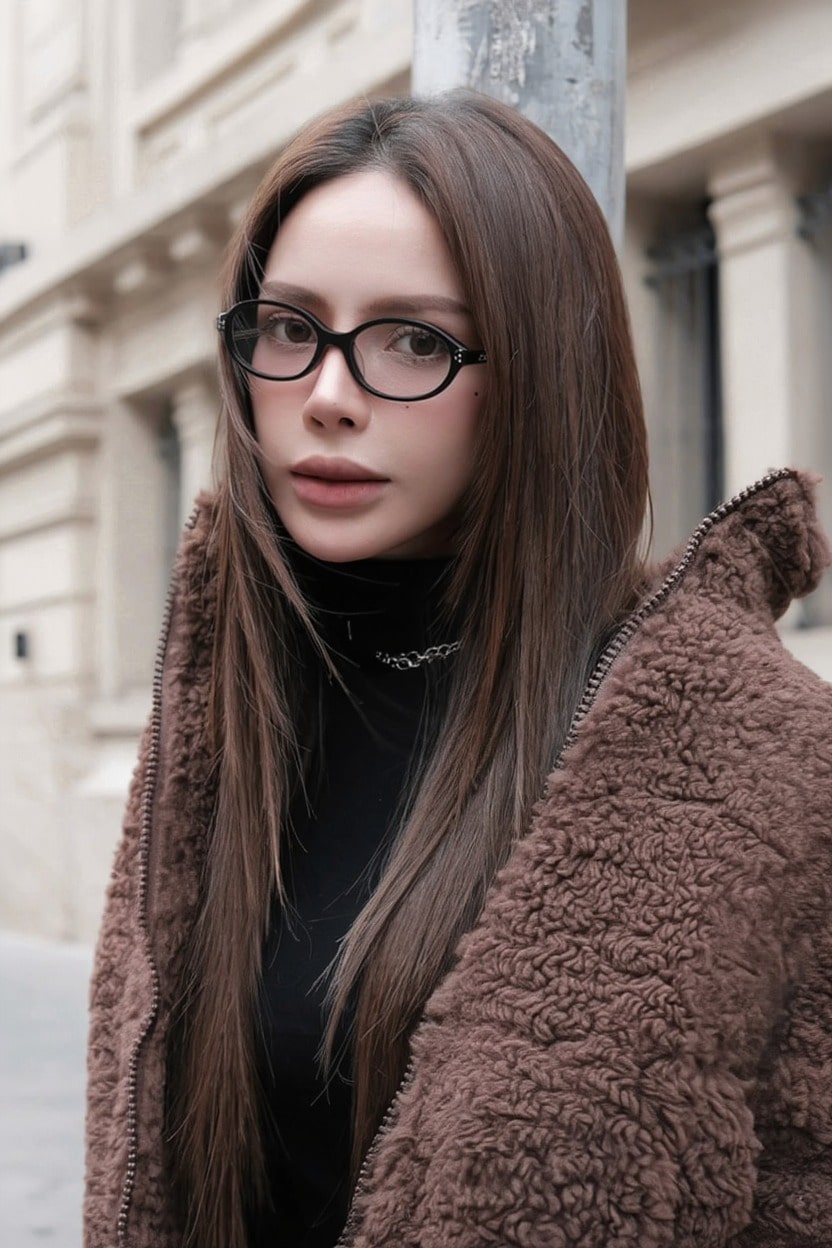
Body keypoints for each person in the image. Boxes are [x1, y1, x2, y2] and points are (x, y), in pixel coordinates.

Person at [84, 91, 832, 1248]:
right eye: (289, 328)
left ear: (540, 372)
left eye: (414, 342)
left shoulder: (756, 763)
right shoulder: (227, 705)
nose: (326, 397)